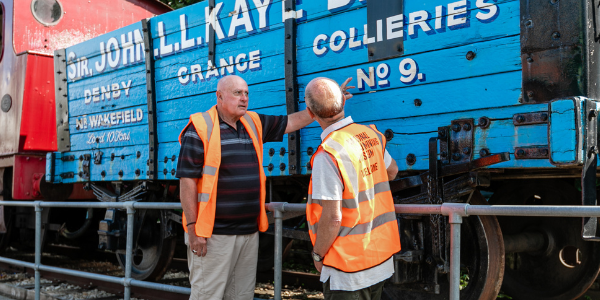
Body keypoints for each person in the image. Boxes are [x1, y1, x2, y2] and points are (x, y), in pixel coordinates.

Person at [176, 75, 351, 300]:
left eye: (246, 93)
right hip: (214, 236)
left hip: (248, 233)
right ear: (219, 96)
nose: (244, 98)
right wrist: (192, 229)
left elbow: (290, 122)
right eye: (237, 93)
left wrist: (327, 104)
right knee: (207, 296)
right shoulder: (200, 128)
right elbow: (187, 181)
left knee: (242, 296)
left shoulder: (253, 122)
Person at [305, 77, 401, 300]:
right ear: (343, 103)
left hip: (347, 269)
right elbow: (392, 171)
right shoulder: (370, 135)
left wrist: (318, 256)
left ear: (310, 113)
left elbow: (332, 218)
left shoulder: (328, 154)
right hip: (379, 259)